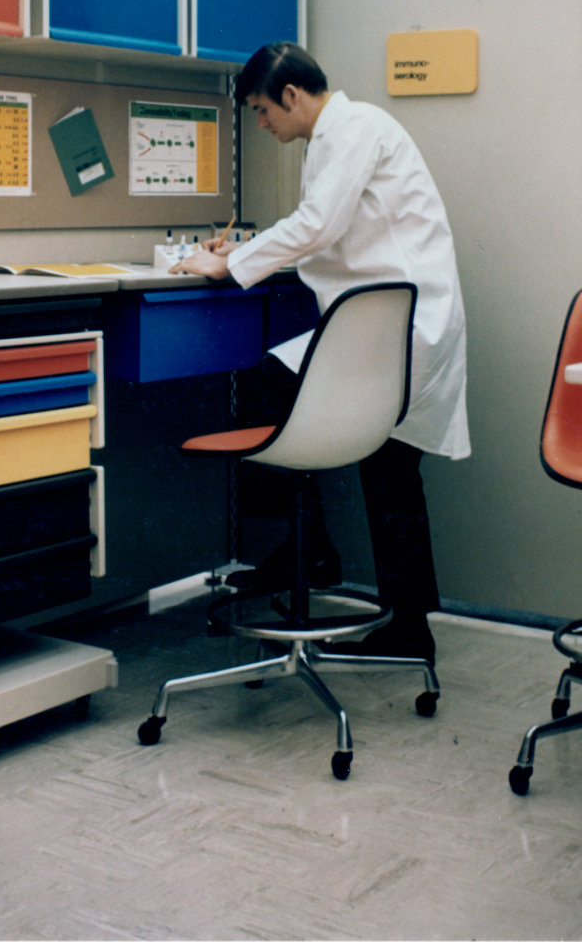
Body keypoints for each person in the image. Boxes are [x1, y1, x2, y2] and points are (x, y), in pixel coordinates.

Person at [173, 42, 469, 662]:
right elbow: (325, 225)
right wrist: (239, 255)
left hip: (398, 331)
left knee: (264, 390)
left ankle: (313, 553)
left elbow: (318, 224)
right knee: (388, 472)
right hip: (390, 328)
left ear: (290, 95)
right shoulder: (339, 135)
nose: (260, 125)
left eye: (261, 111)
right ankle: (403, 620)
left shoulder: (353, 128)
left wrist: (227, 267)